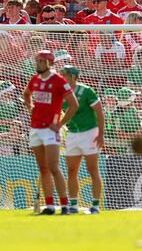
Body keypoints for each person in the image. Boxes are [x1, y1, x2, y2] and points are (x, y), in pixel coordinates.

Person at [23, 50, 79, 215]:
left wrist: (60, 123)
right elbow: (26, 94)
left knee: (54, 167)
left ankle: (65, 205)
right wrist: (30, 107)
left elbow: (73, 105)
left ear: (49, 63)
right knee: (43, 168)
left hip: (50, 130)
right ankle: (49, 205)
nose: (37, 64)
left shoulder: (59, 81)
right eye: (37, 61)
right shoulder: (35, 79)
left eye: (40, 61)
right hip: (35, 128)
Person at [60, 64, 104, 214]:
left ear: (73, 77)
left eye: (64, 74)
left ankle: (95, 205)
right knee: (72, 170)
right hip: (72, 134)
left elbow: (99, 112)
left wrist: (101, 134)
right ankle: (73, 205)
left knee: (92, 170)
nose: (61, 77)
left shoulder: (86, 91)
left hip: (90, 133)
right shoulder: (61, 93)